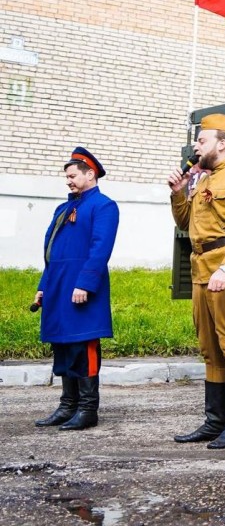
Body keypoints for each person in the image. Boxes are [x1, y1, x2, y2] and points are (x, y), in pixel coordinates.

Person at [167, 113, 225, 450]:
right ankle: (215, 422)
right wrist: (179, 193)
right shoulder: (202, 180)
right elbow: (185, 222)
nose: (196, 146)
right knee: (209, 349)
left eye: (202, 140)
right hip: (200, 270)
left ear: (222, 144)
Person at [34, 147, 119, 431]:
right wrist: (43, 287)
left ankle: (87, 409)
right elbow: (52, 253)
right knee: (62, 346)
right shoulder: (64, 209)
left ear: (90, 174)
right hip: (58, 288)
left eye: (72, 176)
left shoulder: (104, 206)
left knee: (83, 346)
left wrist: (85, 283)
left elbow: (100, 248)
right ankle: (67, 405)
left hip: (82, 288)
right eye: (67, 177)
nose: (68, 181)